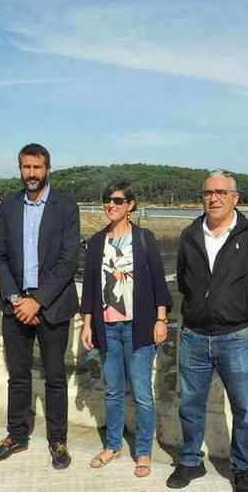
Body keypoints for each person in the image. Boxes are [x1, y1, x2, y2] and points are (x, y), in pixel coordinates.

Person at [168, 169, 248, 492]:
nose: (213, 198)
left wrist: (241, 309)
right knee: (190, 403)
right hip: (194, 335)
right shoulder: (189, 235)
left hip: (237, 336)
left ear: (235, 198)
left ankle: (243, 468)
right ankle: (190, 460)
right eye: (207, 193)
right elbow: (185, 280)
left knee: (243, 407)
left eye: (220, 193)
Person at [0, 143, 81, 469]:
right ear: (20, 169)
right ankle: (16, 435)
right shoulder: (9, 205)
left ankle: (58, 440)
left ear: (47, 169)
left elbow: (69, 262)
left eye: (37, 168)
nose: (31, 174)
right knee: (19, 375)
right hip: (16, 305)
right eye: (26, 167)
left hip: (51, 306)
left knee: (55, 377)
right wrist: (17, 299)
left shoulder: (66, 208)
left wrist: (37, 300)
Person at [79, 181, 172, 478]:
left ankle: (143, 451)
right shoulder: (96, 242)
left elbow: (159, 281)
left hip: (140, 326)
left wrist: (161, 319)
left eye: (118, 201)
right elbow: (91, 287)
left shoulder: (144, 238)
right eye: (107, 200)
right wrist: (87, 324)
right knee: (113, 391)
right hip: (107, 327)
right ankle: (113, 445)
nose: (111, 205)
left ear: (131, 205)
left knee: (142, 392)